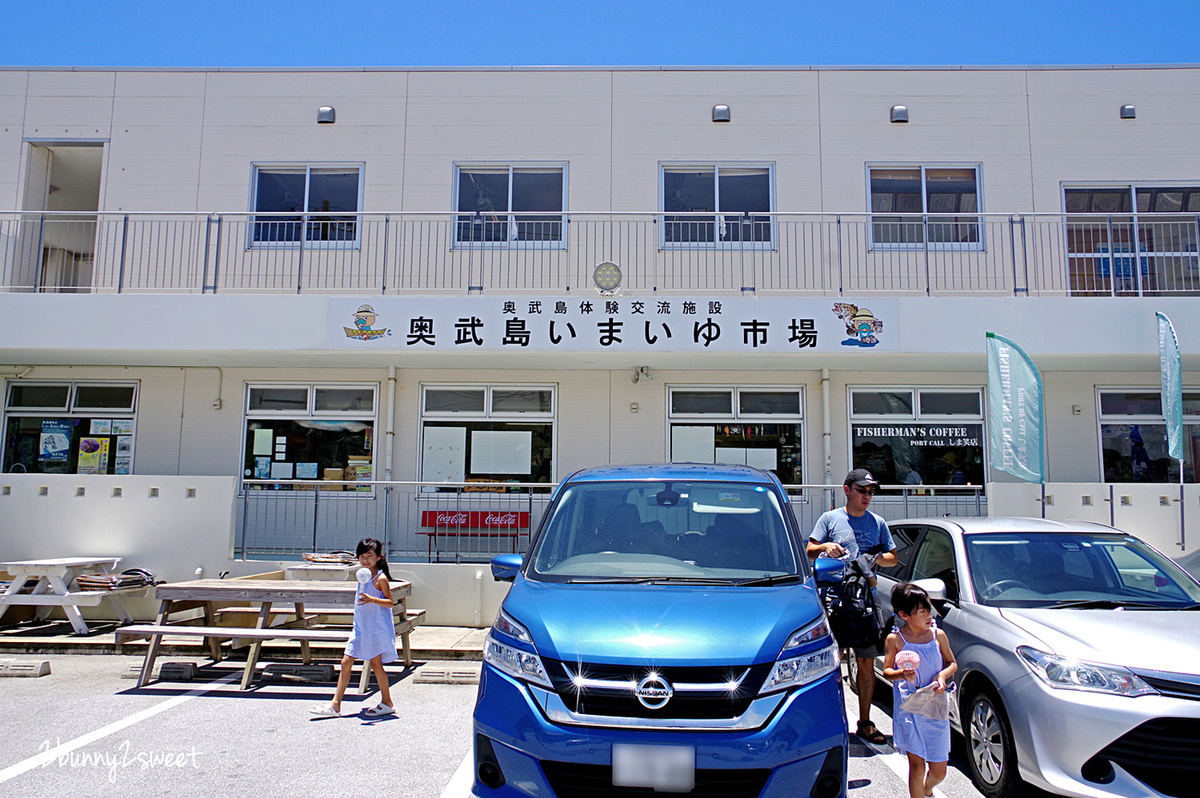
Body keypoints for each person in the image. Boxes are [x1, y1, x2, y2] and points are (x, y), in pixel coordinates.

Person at [807, 468, 898, 745]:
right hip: (834, 602)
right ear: (847, 490)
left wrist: (874, 560)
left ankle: (865, 721)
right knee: (831, 665)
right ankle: (831, 722)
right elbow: (809, 549)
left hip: (865, 604)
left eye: (871, 492)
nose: (867, 496)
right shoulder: (830, 519)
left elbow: (893, 557)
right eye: (862, 491)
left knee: (866, 663)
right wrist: (827, 547)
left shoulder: (878, 523)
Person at [883, 583, 957, 798]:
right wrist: (900, 674)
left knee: (939, 771)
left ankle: (927, 789)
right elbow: (887, 670)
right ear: (904, 615)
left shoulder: (937, 635)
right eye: (922, 611)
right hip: (909, 708)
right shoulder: (896, 640)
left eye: (929, 609)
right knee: (917, 766)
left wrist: (942, 675)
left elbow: (952, 663)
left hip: (935, 707)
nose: (929, 615)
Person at [310, 538, 398, 717]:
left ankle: (387, 702)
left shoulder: (380, 578)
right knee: (346, 662)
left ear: (379, 557)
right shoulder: (362, 574)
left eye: (370, 556)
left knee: (376, 664)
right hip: (360, 627)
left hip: (374, 629)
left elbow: (390, 602)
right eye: (362, 556)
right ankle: (335, 705)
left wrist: (372, 599)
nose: (365, 560)